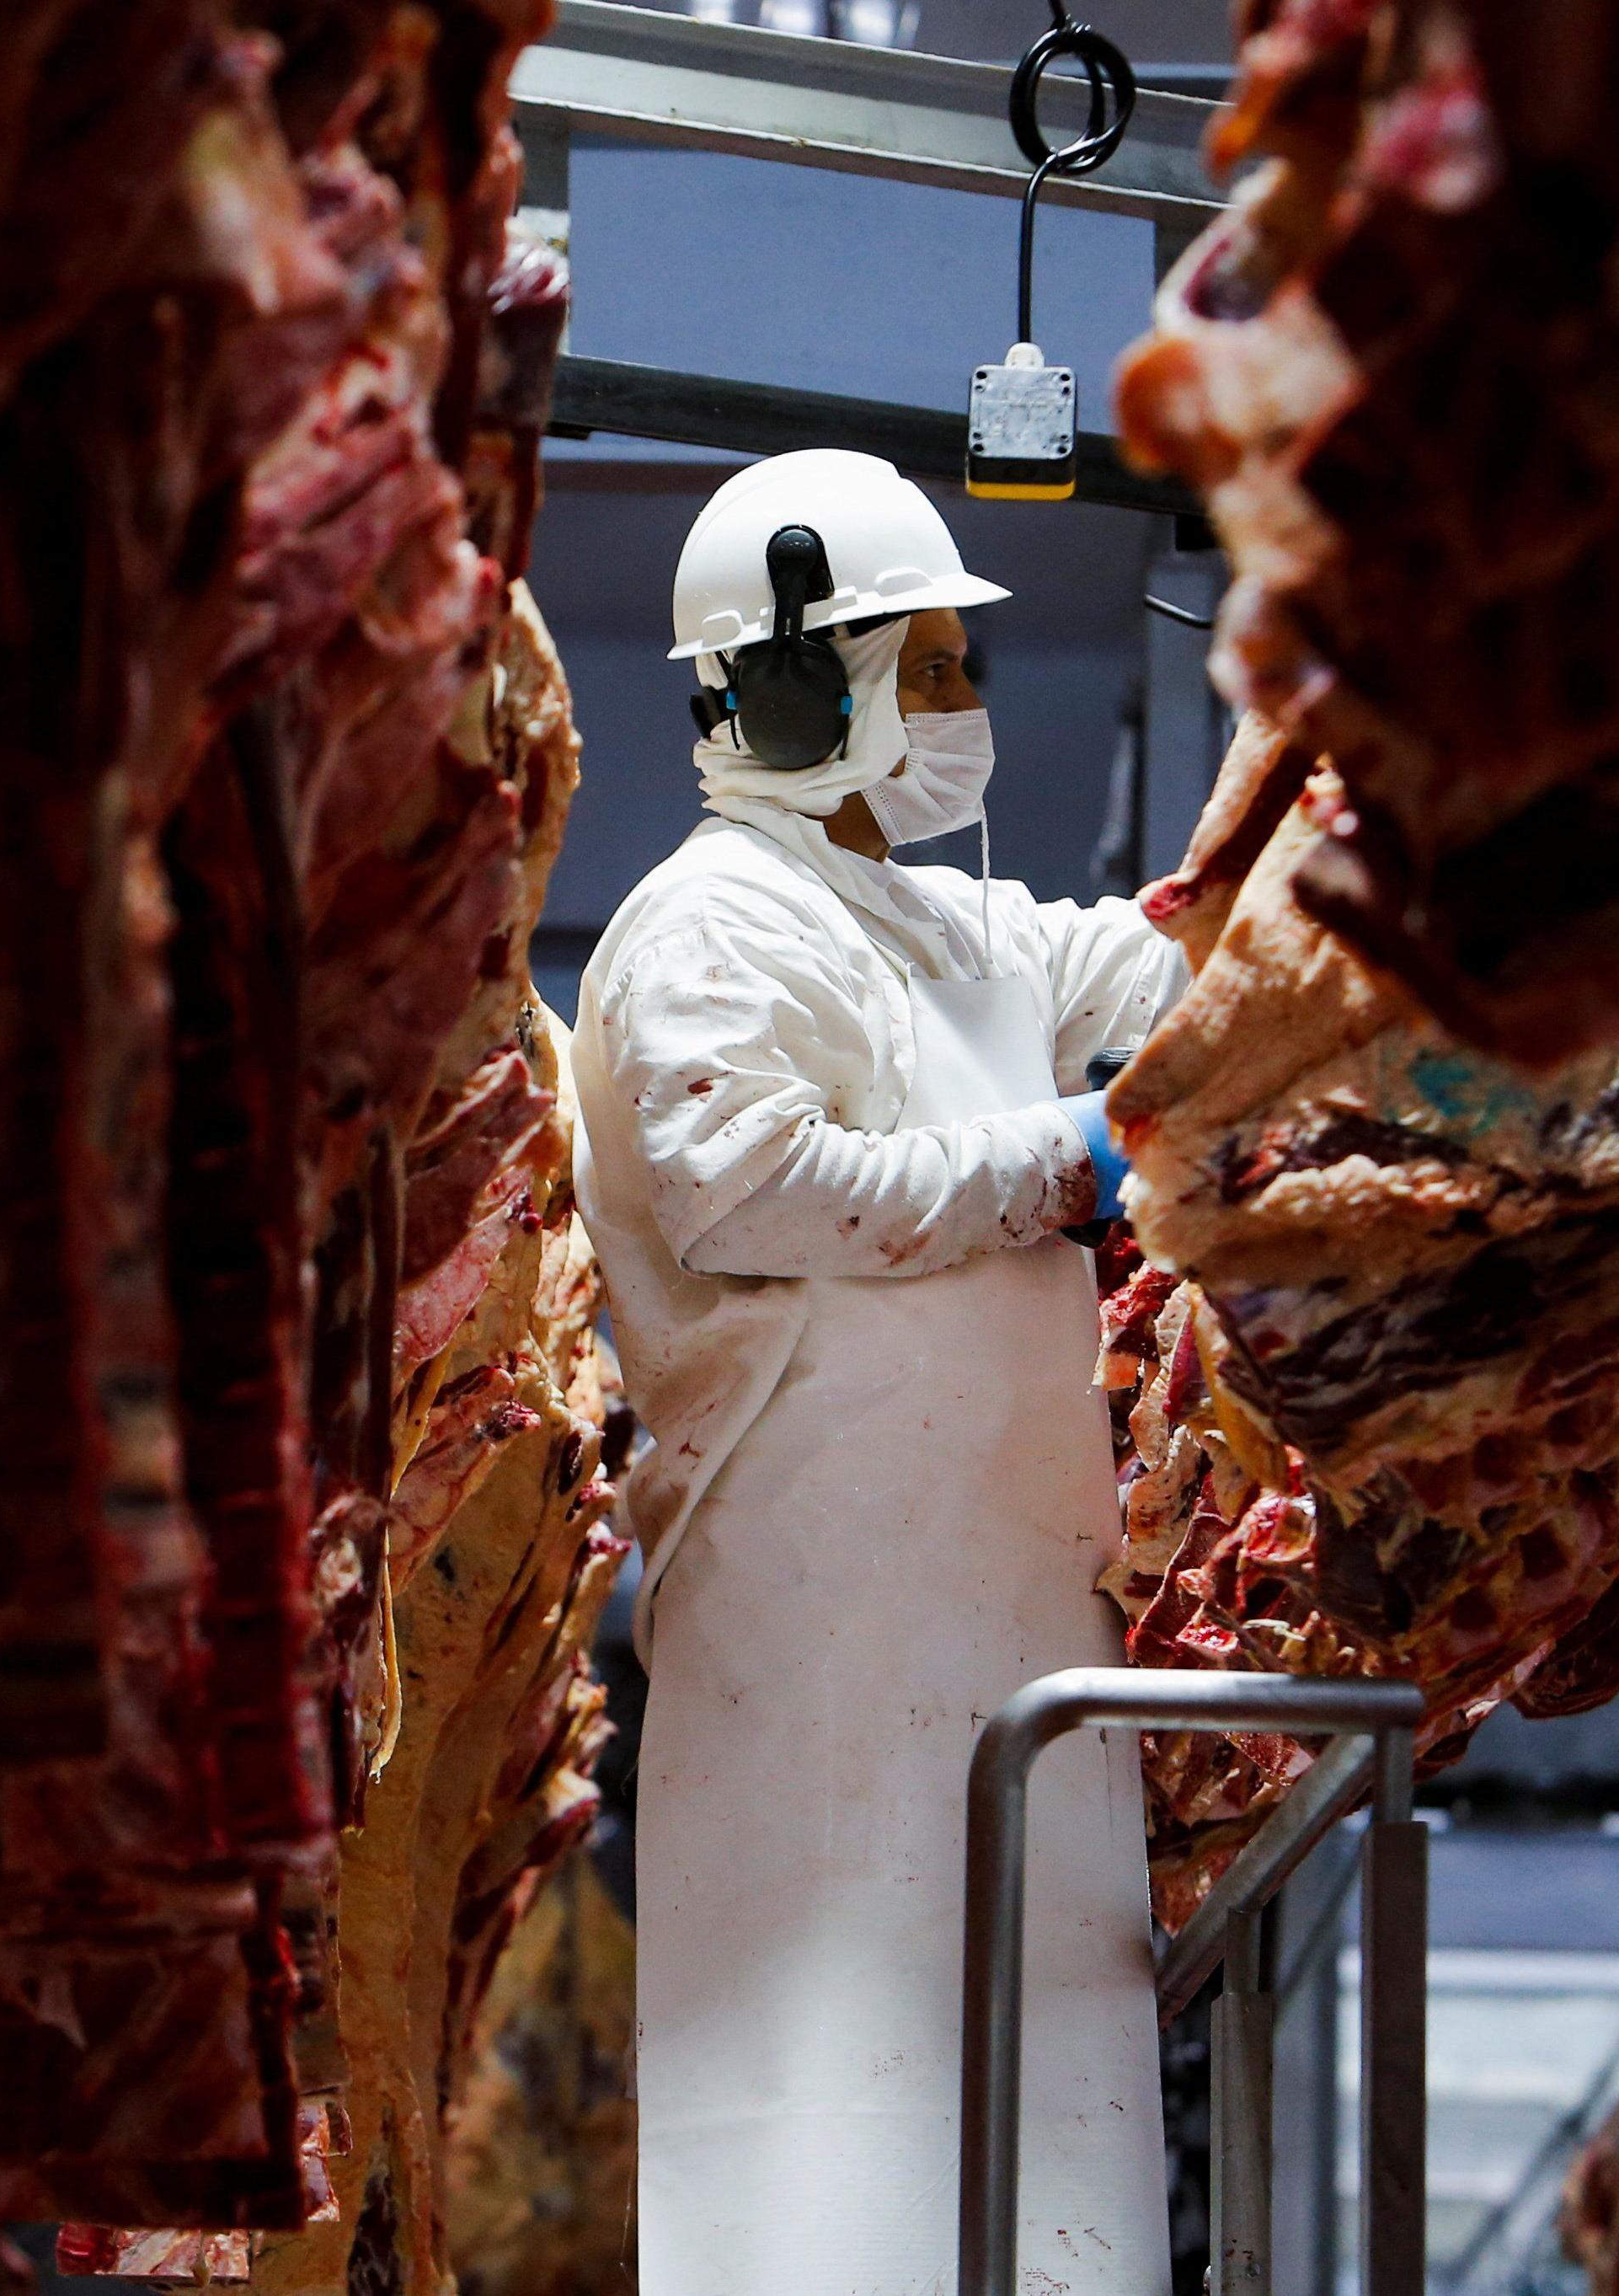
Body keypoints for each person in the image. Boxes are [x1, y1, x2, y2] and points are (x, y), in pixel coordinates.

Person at [569, 448, 1188, 2296]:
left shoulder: (943, 921)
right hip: (819, 1664)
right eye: (925, 670)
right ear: (782, 682)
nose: (963, 713)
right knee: (832, 2164)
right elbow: (744, 1183)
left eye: (958, 670)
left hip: (1019, 1650)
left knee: (1050, 2152)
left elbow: (1156, 972)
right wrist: (1055, 1165)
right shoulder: (706, 923)